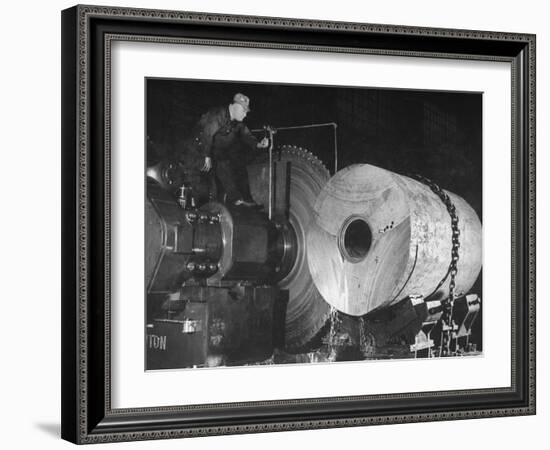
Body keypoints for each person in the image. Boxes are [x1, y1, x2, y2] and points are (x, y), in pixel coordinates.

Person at [179, 93, 269, 206]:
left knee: (224, 167)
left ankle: (236, 199)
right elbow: (207, 134)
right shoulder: (218, 114)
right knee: (202, 186)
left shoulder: (236, 122)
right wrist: (206, 156)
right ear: (235, 106)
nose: (245, 114)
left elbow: (246, 135)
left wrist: (259, 144)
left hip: (212, 154)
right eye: (244, 111)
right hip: (197, 151)